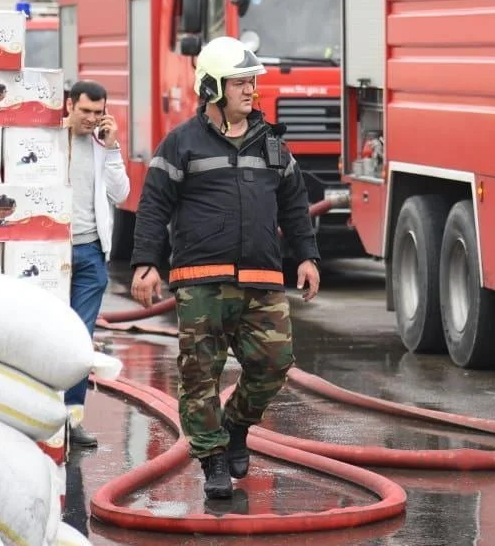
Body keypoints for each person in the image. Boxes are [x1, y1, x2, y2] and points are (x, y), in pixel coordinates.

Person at [129, 36, 321, 500]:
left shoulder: (273, 142)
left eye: (252, 82)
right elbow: (153, 206)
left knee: (274, 363)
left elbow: (294, 205)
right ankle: (213, 459)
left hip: (262, 277)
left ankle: (236, 427)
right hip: (200, 281)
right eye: (240, 82)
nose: (250, 90)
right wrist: (146, 265)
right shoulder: (181, 144)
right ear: (213, 87)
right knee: (200, 374)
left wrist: (308, 257)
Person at [65, 79, 131, 448]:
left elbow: (121, 194)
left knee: (79, 339)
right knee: (43, 334)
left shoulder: (102, 146)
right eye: (85, 111)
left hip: (90, 251)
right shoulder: (52, 140)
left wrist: (113, 148)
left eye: (98, 112)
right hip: (51, 253)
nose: (91, 119)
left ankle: (72, 418)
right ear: (71, 105)